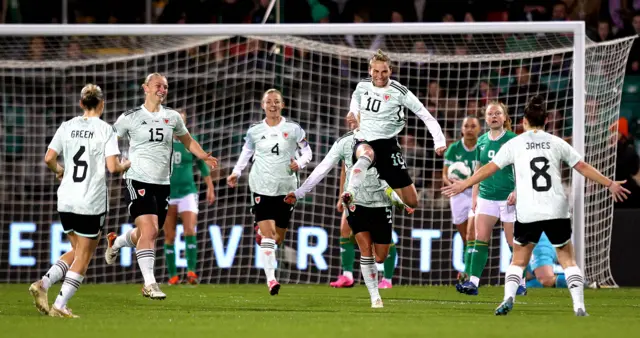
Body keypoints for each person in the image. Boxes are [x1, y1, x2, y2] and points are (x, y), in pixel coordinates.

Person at [442, 95, 630, 316]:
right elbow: (582, 167)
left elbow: (489, 168)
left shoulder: (515, 143)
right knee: (567, 259)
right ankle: (579, 306)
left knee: (518, 259)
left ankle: (507, 299)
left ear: (523, 121)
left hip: (529, 209)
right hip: (556, 208)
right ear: (547, 120)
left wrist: (465, 183)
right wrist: (609, 183)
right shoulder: (556, 141)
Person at [105, 73, 217, 300]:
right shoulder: (131, 117)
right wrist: (114, 163)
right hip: (136, 180)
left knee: (151, 232)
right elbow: (110, 137)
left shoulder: (173, 117)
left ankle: (116, 242)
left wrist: (203, 155)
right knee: (151, 230)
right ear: (145, 87)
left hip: (163, 184)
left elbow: (187, 141)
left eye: (165, 86)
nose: (162, 89)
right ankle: (150, 283)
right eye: (158, 85)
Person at [30, 84, 130, 318]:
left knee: (77, 250)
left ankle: (43, 284)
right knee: (84, 256)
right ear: (102, 104)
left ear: (81, 104)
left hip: (66, 199)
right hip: (90, 200)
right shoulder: (106, 130)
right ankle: (60, 305)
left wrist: (59, 170)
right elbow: (113, 167)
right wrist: (127, 164)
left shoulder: (67, 126)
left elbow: (49, 158)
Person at [284, 129, 413, 308]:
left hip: (381, 203)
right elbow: (323, 168)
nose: (351, 118)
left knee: (380, 256)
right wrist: (299, 193)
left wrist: (400, 201)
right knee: (365, 249)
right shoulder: (344, 142)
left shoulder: (383, 138)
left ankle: (386, 277)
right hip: (355, 202)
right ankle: (375, 296)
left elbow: (394, 171)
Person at [227, 89, 312, 296]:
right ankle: (271, 280)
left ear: (283, 105)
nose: (273, 105)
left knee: (278, 238)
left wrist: (299, 163)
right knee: (269, 235)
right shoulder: (254, 130)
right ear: (262, 105)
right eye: (269, 102)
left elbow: (308, 152)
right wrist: (236, 172)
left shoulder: (293, 129)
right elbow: (246, 152)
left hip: (286, 188)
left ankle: (264, 236)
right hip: (260, 186)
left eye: (277, 102)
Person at [344, 49, 446, 210]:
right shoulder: (362, 85)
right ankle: (351, 191)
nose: (379, 75)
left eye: (384, 71)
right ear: (370, 70)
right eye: (376, 71)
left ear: (390, 70)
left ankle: (384, 187)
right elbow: (355, 100)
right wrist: (353, 113)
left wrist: (439, 140)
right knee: (366, 155)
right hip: (363, 142)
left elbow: (425, 115)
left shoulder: (399, 91)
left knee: (412, 201)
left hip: (388, 146)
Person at [458, 102, 523, 296]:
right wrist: (475, 196)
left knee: (512, 242)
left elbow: (522, 169)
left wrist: (517, 191)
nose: (494, 117)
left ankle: (521, 282)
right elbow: (479, 170)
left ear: (504, 118)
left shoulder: (513, 140)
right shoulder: (482, 142)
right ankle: (473, 282)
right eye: (490, 114)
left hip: (508, 198)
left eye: (497, 113)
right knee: (480, 239)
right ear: (486, 119)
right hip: (486, 197)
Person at [164, 111, 216, 286]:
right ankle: (173, 276)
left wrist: (210, 187)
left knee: (189, 230)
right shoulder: (163, 142)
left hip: (188, 192)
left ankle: (191, 272)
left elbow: (202, 165)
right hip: (168, 193)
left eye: (182, 121)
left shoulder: (190, 141)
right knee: (169, 235)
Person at [442, 115, 481, 285]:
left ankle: (470, 272)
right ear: (462, 129)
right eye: (467, 126)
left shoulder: (483, 146)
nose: (470, 129)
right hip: (457, 194)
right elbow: (444, 174)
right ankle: (469, 268)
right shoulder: (454, 148)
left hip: (476, 193)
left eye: (473, 126)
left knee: (472, 233)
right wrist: (452, 184)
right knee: (465, 236)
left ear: (479, 129)